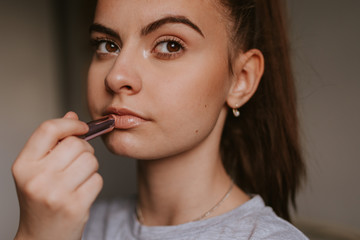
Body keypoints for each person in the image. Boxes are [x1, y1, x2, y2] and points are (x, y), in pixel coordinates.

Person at [12, 0, 308, 239]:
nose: (116, 76)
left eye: (170, 46)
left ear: (241, 80)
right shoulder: (73, 222)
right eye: (107, 45)